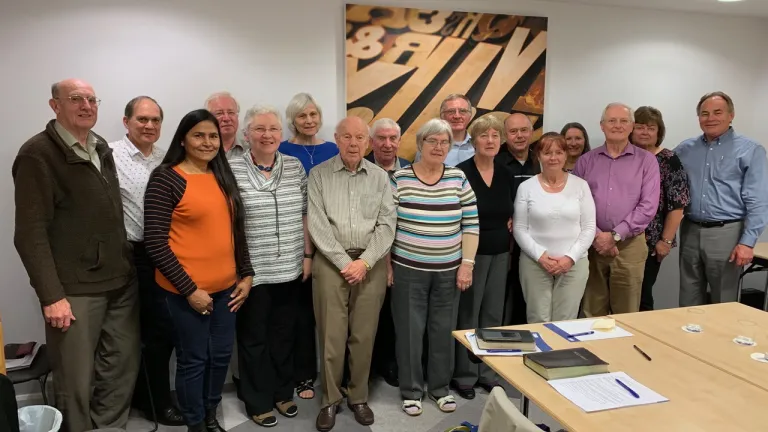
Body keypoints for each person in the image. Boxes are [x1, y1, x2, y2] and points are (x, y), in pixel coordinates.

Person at [13, 78, 139, 432]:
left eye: (92, 99)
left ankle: (109, 427)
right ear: (55, 105)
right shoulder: (37, 154)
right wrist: (52, 297)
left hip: (120, 280)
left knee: (121, 367)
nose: (86, 106)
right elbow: (29, 234)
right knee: (75, 378)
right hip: (75, 289)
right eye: (75, 99)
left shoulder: (101, 148)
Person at [144, 109, 254, 432]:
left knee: (219, 357)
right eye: (199, 135)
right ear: (183, 139)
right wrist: (190, 290)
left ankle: (209, 414)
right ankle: (195, 423)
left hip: (227, 291)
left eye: (213, 136)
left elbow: (237, 230)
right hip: (185, 294)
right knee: (193, 360)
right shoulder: (167, 178)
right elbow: (155, 242)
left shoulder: (221, 175)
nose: (207, 142)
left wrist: (247, 274)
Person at [307, 116, 396, 431]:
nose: (354, 143)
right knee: (331, 336)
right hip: (331, 263)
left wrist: (366, 261)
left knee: (364, 335)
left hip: (370, 264)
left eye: (360, 137)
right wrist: (345, 262)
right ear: (336, 139)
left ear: (368, 142)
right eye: (347, 136)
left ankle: (358, 397)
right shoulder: (319, 175)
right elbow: (317, 223)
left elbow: (387, 223)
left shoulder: (380, 177)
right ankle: (330, 399)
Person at [390, 118, 479, 417]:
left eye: (444, 142)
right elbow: (386, 225)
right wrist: (387, 265)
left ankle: (440, 389)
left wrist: (467, 265)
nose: (439, 147)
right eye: (432, 141)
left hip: (448, 272)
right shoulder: (400, 179)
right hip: (407, 270)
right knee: (409, 333)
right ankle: (411, 391)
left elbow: (471, 225)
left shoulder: (458, 178)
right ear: (420, 144)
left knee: (442, 332)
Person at [229, 105, 310, 427]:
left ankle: (282, 392)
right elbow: (227, 222)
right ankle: (258, 400)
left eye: (273, 129)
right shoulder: (231, 168)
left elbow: (305, 214)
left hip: (290, 268)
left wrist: (307, 255)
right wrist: (240, 269)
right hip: (252, 273)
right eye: (259, 129)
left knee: (283, 335)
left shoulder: (294, 166)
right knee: (254, 339)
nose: (267, 135)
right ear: (246, 135)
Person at [108, 96, 183, 425]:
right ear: (127, 122)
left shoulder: (168, 159)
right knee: (134, 334)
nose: (149, 125)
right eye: (142, 119)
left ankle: (153, 398)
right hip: (130, 254)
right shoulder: (109, 156)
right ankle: (152, 403)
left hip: (165, 254)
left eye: (155, 120)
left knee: (162, 331)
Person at [675, 91, 768, 306]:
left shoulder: (750, 150)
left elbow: (758, 200)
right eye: (704, 113)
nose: (710, 118)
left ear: (731, 115)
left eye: (718, 112)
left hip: (727, 233)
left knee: (724, 300)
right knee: (688, 296)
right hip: (690, 229)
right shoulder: (685, 149)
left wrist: (747, 242)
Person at [573, 103, 660, 316]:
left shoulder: (647, 161)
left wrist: (615, 236)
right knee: (592, 309)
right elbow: (575, 203)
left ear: (631, 126)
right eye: (611, 121)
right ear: (602, 125)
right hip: (591, 245)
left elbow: (648, 206)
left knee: (627, 312)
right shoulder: (586, 161)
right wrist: (597, 236)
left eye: (623, 121)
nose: (617, 125)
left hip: (630, 245)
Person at [278, 92, 338, 401]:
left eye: (313, 114)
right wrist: (306, 251)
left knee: (329, 315)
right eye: (302, 115)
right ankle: (301, 376)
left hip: (333, 240)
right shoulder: (281, 149)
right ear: (293, 120)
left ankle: (333, 375)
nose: (309, 120)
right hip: (297, 241)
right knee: (299, 315)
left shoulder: (333, 149)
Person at [452, 114, 511, 399]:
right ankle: (464, 375)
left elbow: (511, 213)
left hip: (501, 253)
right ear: (473, 141)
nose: (490, 140)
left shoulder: (506, 174)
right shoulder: (460, 173)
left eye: (495, 135)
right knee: (468, 314)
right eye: (484, 135)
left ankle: (488, 373)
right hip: (470, 255)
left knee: (493, 315)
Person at [513, 133, 596, 323]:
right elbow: (519, 228)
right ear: (538, 156)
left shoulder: (581, 186)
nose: (553, 158)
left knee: (566, 320)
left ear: (566, 155)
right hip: (535, 264)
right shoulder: (526, 187)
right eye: (547, 153)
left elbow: (589, 227)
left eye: (559, 152)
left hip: (573, 264)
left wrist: (570, 258)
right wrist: (541, 256)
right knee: (538, 318)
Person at [630, 107, 690, 311]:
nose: (645, 132)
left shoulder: (668, 160)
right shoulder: (624, 157)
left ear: (659, 131)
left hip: (651, 240)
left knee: (642, 294)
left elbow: (678, 204)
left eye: (651, 128)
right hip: (621, 237)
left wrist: (666, 240)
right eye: (640, 127)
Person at [365, 118, 409, 388]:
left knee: (395, 315)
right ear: (372, 142)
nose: (387, 144)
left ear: (399, 141)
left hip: (403, 253)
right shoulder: (362, 168)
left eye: (393, 138)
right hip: (368, 255)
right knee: (369, 316)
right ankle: (366, 366)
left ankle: (390, 363)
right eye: (381, 138)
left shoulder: (409, 171)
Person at [495, 113, 539, 325]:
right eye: (513, 131)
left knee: (529, 294)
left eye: (523, 130)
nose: (519, 136)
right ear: (505, 135)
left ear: (531, 132)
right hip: (505, 239)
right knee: (504, 292)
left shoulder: (541, 161)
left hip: (537, 238)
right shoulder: (496, 161)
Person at [414, 94, 474, 165]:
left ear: (470, 116)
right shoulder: (428, 147)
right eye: (451, 111)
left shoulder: (478, 146)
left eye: (462, 111)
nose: (457, 116)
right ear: (442, 116)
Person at [205, 91, 248, 159]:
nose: (226, 118)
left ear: (237, 116)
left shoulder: (251, 149)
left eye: (231, 112)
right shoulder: (201, 150)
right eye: (219, 113)